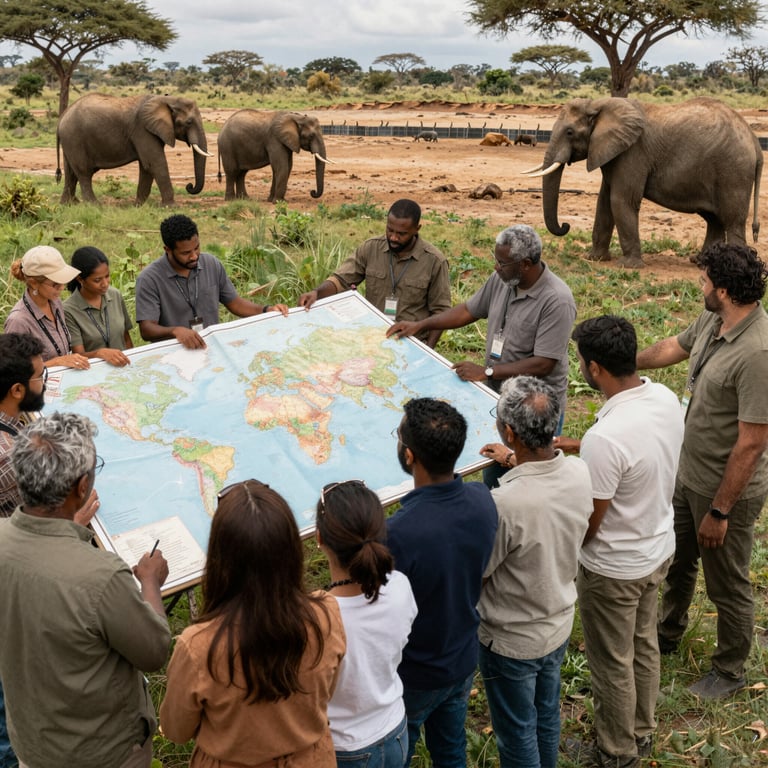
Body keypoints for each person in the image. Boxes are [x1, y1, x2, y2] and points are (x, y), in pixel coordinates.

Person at [0, 412, 170, 768]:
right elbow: (154, 651)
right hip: (101, 753)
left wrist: (66, 525)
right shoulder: (100, 576)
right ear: (81, 487)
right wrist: (150, 583)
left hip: (32, 743)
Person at [637, 242, 768, 700]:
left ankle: (730, 669)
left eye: (705, 281)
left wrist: (720, 510)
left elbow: (752, 443)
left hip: (724, 490)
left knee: (726, 583)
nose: (700, 286)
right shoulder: (716, 320)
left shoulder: (757, 354)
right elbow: (674, 346)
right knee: (677, 561)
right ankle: (668, 632)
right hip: (688, 472)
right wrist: (625, 364)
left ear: (725, 290)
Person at [561, 316, 684, 768]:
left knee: (612, 661)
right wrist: (580, 448)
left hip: (614, 567)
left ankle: (616, 752)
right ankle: (641, 731)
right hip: (657, 546)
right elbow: (643, 456)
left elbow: (591, 523)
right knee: (643, 644)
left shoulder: (606, 437)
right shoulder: (666, 399)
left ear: (594, 369)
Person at [160, 479, 346, 767]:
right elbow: (327, 692)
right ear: (292, 551)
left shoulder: (197, 646)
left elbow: (176, 730)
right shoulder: (327, 613)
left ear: (221, 558)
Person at [387, 225, 575, 486]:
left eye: (503, 263)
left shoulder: (557, 300)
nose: (496, 267)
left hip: (535, 409)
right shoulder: (503, 278)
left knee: (530, 481)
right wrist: (423, 324)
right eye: (495, 259)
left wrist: (487, 372)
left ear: (526, 264)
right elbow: (469, 310)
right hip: (500, 400)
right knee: (496, 472)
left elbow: (544, 363)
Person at [477, 376, 591, 768]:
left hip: (511, 639)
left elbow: (481, 574)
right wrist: (511, 460)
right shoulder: (579, 473)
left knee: (516, 732)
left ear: (509, 432)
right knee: (546, 713)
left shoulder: (505, 504)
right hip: (557, 623)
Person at [386, 398, 497, 767]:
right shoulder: (483, 501)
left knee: (401, 749)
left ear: (409, 456)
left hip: (416, 669)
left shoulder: (399, 532)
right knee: (450, 750)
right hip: (462, 656)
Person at [315, 479, 417, 768]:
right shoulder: (400, 586)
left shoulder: (317, 617)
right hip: (395, 730)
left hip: (345, 747)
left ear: (319, 538)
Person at [299, 199, 451, 348]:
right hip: (371, 339)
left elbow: (440, 312)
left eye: (401, 234)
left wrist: (428, 351)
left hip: (411, 342)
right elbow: (340, 280)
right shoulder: (371, 248)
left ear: (417, 229)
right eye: (390, 230)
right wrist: (317, 293)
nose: (393, 237)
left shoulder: (434, 261)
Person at [135, 214, 289, 350]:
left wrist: (266, 310)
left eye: (197, 248)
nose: (194, 256)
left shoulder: (211, 264)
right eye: (186, 253)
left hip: (211, 348)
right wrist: (175, 331)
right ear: (167, 249)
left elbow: (235, 303)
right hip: (174, 354)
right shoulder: (149, 279)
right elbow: (147, 329)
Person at [4, 246, 90, 369]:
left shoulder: (55, 302)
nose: (62, 288)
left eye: (63, 282)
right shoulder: (18, 321)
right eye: (55, 284)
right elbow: (14, 369)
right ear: (34, 283)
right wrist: (56, 362)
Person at [64, 246, 133, 367]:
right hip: (93, 372)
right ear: (80, 279)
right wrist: (100, 353)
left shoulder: (115, 295)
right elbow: (78, 355)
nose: (105, 284)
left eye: (107, 276)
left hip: (123, 368)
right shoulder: (68, 310)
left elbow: (126, 338)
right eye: (97, 280)